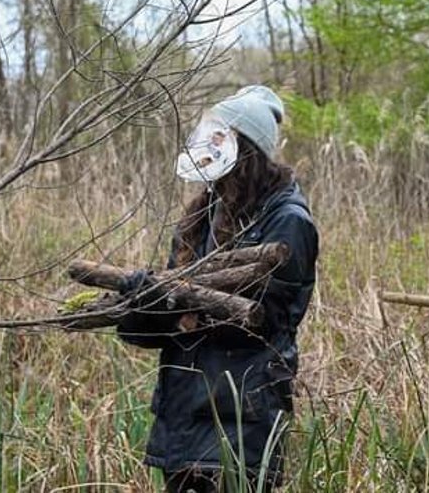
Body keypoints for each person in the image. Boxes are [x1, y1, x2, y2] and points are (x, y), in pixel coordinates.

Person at [117, 85, 318, 493]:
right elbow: (159, 329)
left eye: (221, 140)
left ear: (246, 152)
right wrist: (142, 304)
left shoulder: (287, 220)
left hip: (241, 418)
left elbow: (261, 321)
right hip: (183, 414)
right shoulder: (202, 215)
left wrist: (176, 303)